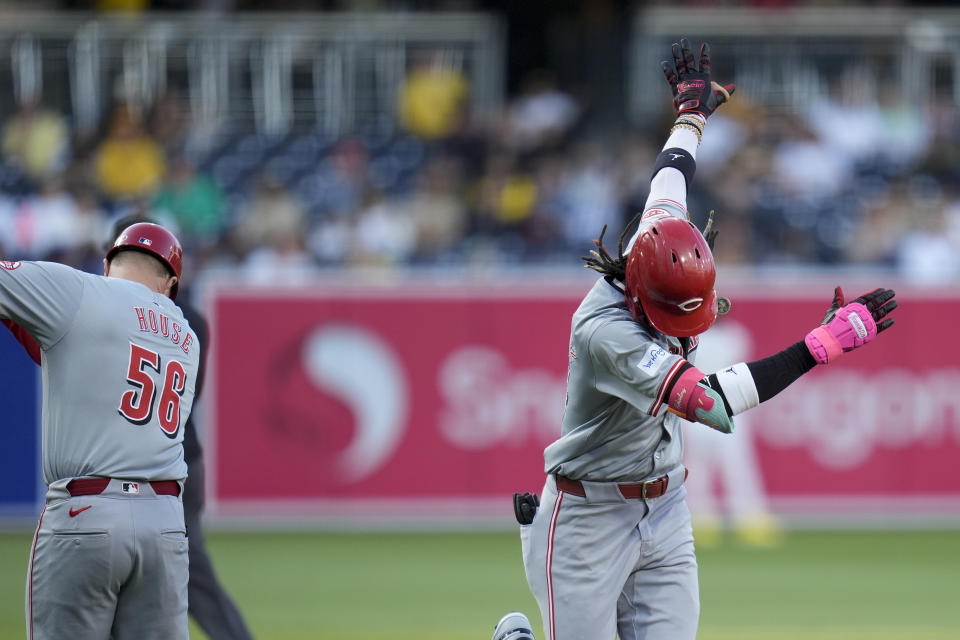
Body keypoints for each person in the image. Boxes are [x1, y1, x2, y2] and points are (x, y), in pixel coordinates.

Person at [499, 39, 898, 640]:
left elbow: (671, 171)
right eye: (670, 316)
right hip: (588, 513)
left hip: (666, 507)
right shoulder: (606, 329)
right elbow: (711, 401)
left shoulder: (662, 229)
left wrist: (692, 112)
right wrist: (820, 346)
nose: (682, 328)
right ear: (637, 292)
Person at [4, 216, 256, 640]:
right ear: (171, 284)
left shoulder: (80, 292)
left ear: (107, 263)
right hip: (165, 523)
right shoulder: (186, 334)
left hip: (88, 511)